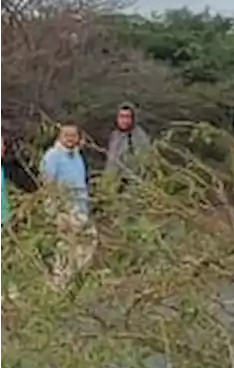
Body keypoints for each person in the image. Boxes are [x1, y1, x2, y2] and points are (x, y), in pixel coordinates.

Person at [41, 124, 96, 287]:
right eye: (67, 135)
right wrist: (57, 208)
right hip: (64, 209)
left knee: (85, 244)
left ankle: (73, 280)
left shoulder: (77, 156)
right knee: (65, 246)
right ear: (60, 137)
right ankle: (59, 283)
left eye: (74, 135)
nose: (70, 138)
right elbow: (47, 182)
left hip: (81, 208)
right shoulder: (53, 156)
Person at [103, 102, 152, 183]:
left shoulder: (139, 136)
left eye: (127, 117)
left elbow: (144, 162)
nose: (124, 120)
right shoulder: (114, 136)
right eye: (122, 117)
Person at [0, 135, 38, 225]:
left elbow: (32, 188)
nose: (2, 148)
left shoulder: (11, 167)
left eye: (2, 146)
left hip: (11, 222)